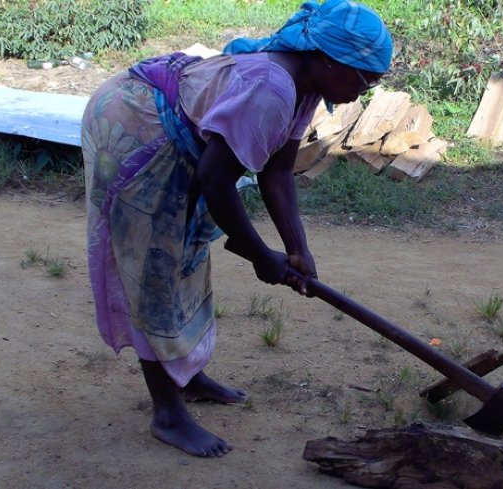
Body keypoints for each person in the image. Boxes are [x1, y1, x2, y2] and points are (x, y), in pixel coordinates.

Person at [81, 0, 393, 458]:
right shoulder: (270, 89)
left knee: (185, 256)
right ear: (326, 59)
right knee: (155, 268)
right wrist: (259, 255)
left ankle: (185, 375)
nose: (365, 90)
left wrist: (296, 248)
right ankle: (167, 413)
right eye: (363, 78)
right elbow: (216, 179)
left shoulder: (304, 87)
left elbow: (278, 171)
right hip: (133, 125)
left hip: (175, 129)